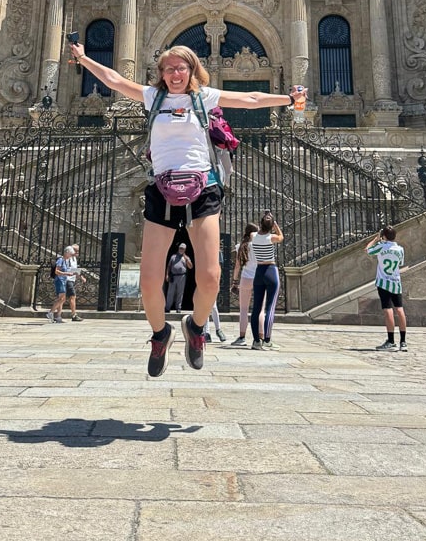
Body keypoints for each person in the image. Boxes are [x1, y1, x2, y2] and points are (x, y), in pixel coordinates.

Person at [68, 38, 301, 377]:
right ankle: (161, 334)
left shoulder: (204, 97)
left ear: (192, 69)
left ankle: (196, 327)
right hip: (162, 189)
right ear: (160, 73)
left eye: (181, 67)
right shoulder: (153, 97)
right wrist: (86, 59)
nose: (175, 73)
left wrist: (289, 99)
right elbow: (115, 81)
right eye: (168, 68)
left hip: (203, 187)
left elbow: (251, 99)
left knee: (210, 277)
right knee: (149, 280)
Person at [366, 225, 407, 351]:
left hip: (383, 282)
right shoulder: (400, 249)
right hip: (396, 281)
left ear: (384, 236)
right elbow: (401, 263)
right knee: (400, 309)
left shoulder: (381, 247)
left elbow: (367, 250)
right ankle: (403, 341)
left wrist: (376, 239)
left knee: (388, 309)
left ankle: (390, 340)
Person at [249, 211, 284, 350]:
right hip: (271, 270)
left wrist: (265, 221)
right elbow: (281, 236)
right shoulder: (272, 237)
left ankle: (256, 341)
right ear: (271, 227)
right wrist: (275, 224)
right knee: (270, 307)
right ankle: (267, 340)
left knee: (256, 308)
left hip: (259, 272)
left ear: (260, 224)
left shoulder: (253, 236)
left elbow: (257, 231)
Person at [230, 222, 261, 346]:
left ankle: (242, 337)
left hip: (246, 277)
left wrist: (234, 281)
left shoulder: (241, 246)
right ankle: (260, 338)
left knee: (243, 309)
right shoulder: (260, 245)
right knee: (261, 310)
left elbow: (237, 266)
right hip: (259, 277)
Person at [47, 244, 86, 323]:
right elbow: (57, 271)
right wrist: (67, 274)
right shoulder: (62, 260)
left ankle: (56, 315)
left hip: (65, 280)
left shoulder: (68, 259)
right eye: (75, 251)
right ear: (68, 252)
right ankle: (53, 313)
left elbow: (72, 269)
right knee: (65, 297)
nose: (76, 252)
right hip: (62, 280)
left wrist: (79, 276)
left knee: (62, 298)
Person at [165, 242, 192, 312]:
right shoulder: (173, 257)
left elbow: (190, 266)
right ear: (178, 248)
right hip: (173, 276)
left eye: (183, 249)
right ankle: (167, 307)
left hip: (182, 277)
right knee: (170, 292)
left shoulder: (186, 258)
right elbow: (169, 266)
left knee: (180, 292)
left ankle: (178, 307)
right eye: (180, 248)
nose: (181, 250)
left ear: (185, 250)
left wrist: (186, 258)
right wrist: (167, 275)